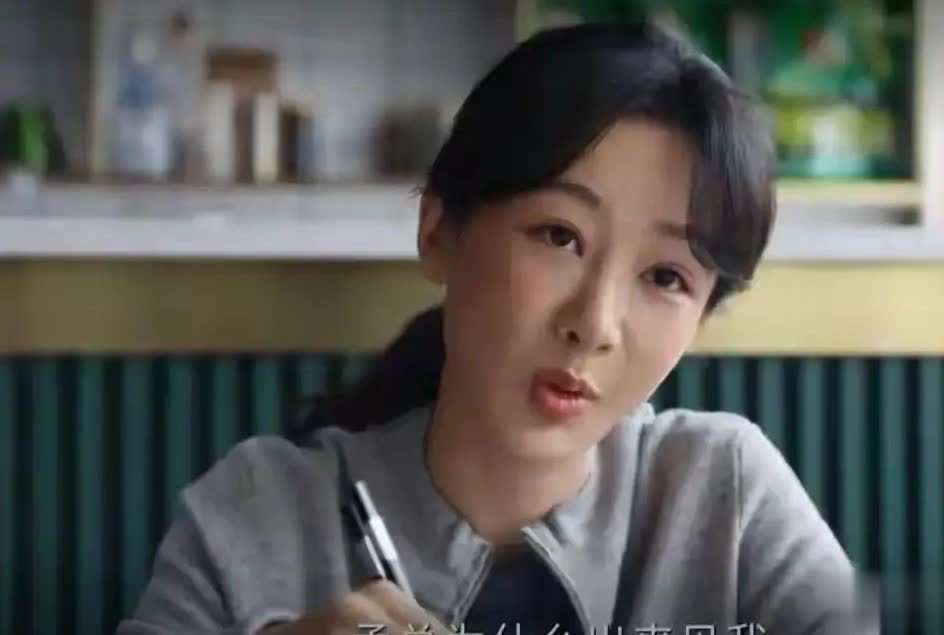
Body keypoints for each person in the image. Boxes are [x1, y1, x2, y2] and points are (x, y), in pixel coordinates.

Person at [118, 22, 875, 635]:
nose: (594, 325)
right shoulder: (262, 512)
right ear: (439, 228)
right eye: (558, 236)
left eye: (666, 277)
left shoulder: (725, 495)